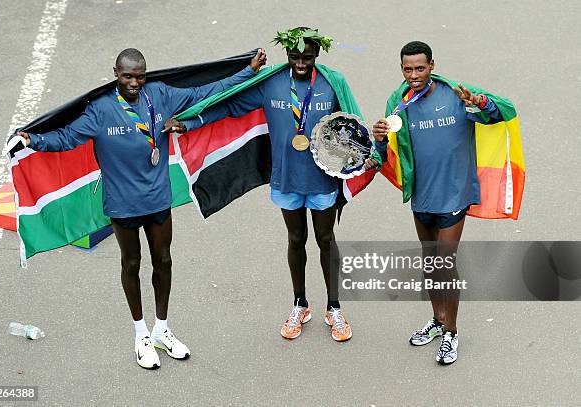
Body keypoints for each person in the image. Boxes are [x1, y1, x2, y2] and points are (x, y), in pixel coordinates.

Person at [16, 47, 266, 370]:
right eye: (127, 76)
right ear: (116, 74)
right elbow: (65, 138)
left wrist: (248, 70)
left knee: (163, 261)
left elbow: (206, 92)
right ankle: (141, 335)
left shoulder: (159, 95)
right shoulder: (100, 111)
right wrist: (33, 141)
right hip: (122, 206)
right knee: (131, 263)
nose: (134, 82)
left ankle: (162, 329)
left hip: (158, 198)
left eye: (140, 76)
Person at [176, 27, 355, 342]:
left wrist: (365, 154)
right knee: (295, 238)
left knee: (326, 239)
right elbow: (230, 104)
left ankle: (334, 307)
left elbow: (352, 126)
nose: (301, 63)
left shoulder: (331, 83)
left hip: (322, 178)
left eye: (308, 57)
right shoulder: (270, 82)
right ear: (287, 54)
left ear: (317, 56)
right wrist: (192, 121)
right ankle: (300, 303)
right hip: (286, 177)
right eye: (296, 57)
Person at [371, 41, 506, 365]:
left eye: (420, 68)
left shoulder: (456, 95)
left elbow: (498, 114)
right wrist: (377, 138)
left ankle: (451, 332)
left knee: (445, 265)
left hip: (454, 196)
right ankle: (437, 318)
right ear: (401, 69)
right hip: (422, 197)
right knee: (431, 263)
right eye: (407, 69)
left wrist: (481, 103)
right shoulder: (398, 102)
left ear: (432, 65)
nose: (414, 75)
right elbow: (384, 155)